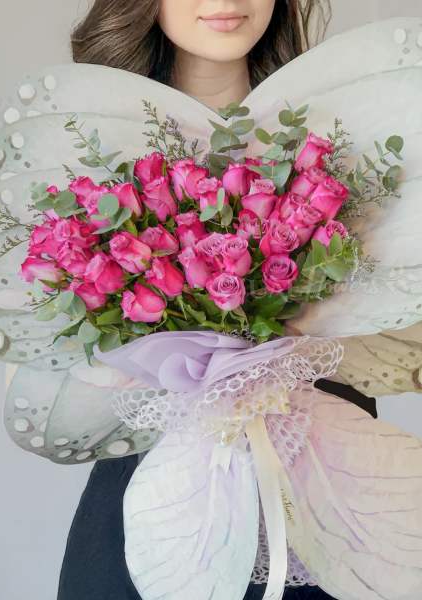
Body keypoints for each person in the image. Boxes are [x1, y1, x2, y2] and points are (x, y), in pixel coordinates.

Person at [57, 4, 376, 598]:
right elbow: (44, 368)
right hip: (149, 526)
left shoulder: (347, 141)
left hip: (323, 509)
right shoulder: (87, 155)